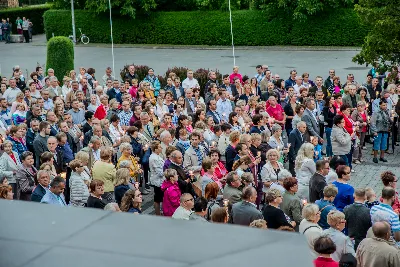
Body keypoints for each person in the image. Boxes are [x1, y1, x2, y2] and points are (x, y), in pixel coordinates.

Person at [370, 98, 391, 163]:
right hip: (378, 131)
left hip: (385, 130)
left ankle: (382, 156)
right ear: (380, 105)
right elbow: (372, 122)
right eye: (383, 105)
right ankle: (375, 157)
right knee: (376, 144)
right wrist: (374, 131)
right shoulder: (376, 112)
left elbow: (388, 119)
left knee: (384, 144)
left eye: (386, 105)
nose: (385, 106)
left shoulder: (387, 111)